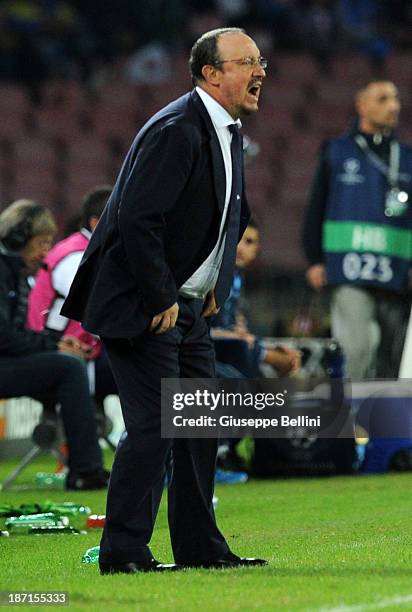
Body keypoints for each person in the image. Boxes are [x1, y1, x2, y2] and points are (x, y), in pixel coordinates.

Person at [62, 27, 268, 573]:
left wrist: (213, 290)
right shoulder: (178, 128)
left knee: (199, 428)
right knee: (155, 427)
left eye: (260, 60)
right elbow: (138, 218)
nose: (260, 71)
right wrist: (162, 295)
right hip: (145, 304)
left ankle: (200, 549)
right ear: (211, 73)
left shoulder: (225, 130)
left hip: (188, 306)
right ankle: (123, 552)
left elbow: (231, 217)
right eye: (247, 61)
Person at [303, 79, 412, 379]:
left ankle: (386, 424)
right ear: (361, 105)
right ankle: (349, 422)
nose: (394, 106)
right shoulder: (337, 151)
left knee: (394, 357)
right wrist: (314, 259)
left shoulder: (407, 157)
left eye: (396, 99)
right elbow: (317, 206)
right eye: (383, 99)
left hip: (397, 273)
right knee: (356, 350)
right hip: (348, 268)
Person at [0, 199, 109, 490]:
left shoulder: (14, 273)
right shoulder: (4, 273)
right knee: (69, 368)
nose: (45, 251)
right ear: (19, 238)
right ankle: (86, 469)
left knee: (68, 367)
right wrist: (55, 346)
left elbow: (13, 334)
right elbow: (5, 337)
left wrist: (55, 342)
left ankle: (86, 465)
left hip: (8, 360)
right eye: (41, 242)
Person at [27, 186, 117, 403]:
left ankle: (195, 431)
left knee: (175, 373)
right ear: (96, 223)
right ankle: (193, 429)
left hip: (86, 351)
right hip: (61, 352)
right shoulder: (75, 257)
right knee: (162, 372)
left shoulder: (90, 250)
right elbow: (98, 309)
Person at [212, 218, 301, 377]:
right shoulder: (213, 275)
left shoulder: (238, 277)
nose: (240, 248)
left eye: (249, 242)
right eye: (237, 239)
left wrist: (266, 348)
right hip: (207, 349)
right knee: (242, 350)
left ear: (257, 249)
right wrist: (268, 354)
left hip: (226, 349)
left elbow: (236, 328)